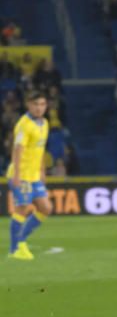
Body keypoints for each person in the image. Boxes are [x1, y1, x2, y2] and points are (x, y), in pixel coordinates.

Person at [7, 90, 50, 260]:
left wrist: (42, 171)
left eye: (42, 104)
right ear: (29, 105)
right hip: (21, 175)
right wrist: (16, 175)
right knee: (22, 209)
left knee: (45, 208)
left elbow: (40, 150)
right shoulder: (24, 124)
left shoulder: (44, 123)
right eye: (35, 105)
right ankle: (14, 250)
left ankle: (21, 241)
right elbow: (17, 150)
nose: (39, 108)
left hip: (34, 176)